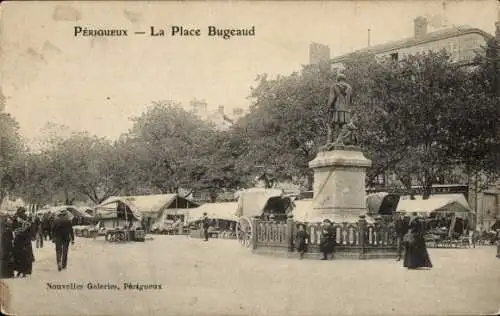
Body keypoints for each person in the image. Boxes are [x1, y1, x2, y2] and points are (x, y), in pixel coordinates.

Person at [12, 207, 34, 277]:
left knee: (18, 256)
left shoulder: (16, 219)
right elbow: (30, 230)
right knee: (25, 256)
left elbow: (13, 229)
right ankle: (24, 271)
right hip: (25, 240)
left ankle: (20, 270)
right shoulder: (26, 220)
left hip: (19, 240)